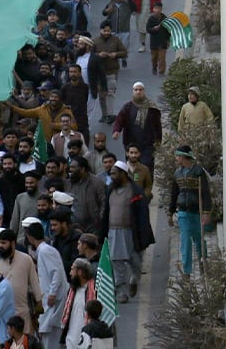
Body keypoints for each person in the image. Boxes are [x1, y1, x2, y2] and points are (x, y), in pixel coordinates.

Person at [98, 161, 154, 303]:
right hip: (113, 232)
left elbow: (142, 214)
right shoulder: (110, 189)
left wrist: (144, 234)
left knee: (134, 259)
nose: (112, 177)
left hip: (131, 232)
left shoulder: (135, 191)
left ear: (123, 174)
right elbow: (106, 212)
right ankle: (121, 291)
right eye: (111, 174)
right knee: (116, 261)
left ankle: (134, 278)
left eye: (114, 174)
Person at [168, 146, 212, 277]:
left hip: (196, 212)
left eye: (177, 156)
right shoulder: (177, 174)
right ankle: (187, 272)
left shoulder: (198, 172)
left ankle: (203, 262)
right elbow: (174, 194)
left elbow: (205, 192)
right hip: (183, 213)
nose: (176, 159)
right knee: (185, 241)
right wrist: (170, 213)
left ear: (182, 157)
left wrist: (206, 212)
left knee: (199, 240)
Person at [26, 222, 66, 341]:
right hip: (49, 297)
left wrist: (52, 293)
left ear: (30, 237)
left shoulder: (45, 251)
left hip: (52, 298)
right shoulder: (44, 250)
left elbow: (56, 272)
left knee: (50, 333)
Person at [111, 82, 163, 169]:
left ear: (144, 91)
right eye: (136, 90)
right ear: (133, 92)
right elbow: (119, 120)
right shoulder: (127, 107)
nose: (138, 92)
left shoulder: (152, 108)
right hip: (131, 144)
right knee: (131, 169)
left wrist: (158, 141)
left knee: (146, 167)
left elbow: (157, 125)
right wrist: (116, 131)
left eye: (140, 90)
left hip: (147, 145)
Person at [60, 259, 96, 349]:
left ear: (79, 272)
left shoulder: (94, 291)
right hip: (71, 339)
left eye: (72, 269)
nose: (70, 273)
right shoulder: (72, 291)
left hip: (87, 339)